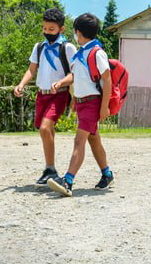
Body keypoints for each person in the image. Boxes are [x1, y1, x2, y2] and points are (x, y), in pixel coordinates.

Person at [47, 13, 114, 197]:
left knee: (79, 140)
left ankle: (68, 181)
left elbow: (107, 80)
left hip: (93, 103)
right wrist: (67, 89)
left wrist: (104, 107)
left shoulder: (97, 52)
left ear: (78, 32)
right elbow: (77, 77)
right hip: (83, 103)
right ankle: (107, 174)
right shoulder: (80, 54)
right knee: (93, 140)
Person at [14, 8, 76, 187]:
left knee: (44, 129)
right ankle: (51, 169)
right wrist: (22, 84)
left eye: (51, 29)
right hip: (42, 95)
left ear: (61, 29)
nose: (47, 32)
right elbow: (32, 69)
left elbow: (75, 73)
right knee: (47, 131)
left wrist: (62, 82)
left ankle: (50, 170)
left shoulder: (68, 48)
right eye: (44, 28)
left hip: (59, 95)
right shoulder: (39, 47)